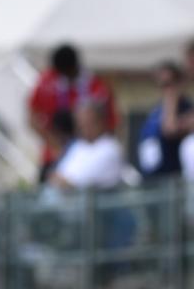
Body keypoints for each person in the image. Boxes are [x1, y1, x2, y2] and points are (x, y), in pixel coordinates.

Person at [27, 46, 117, 183]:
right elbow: (32, 117)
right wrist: (55, 145)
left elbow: (110, 123)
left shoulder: (95, 86)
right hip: (56, 152)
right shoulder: (47, 82)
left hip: (87, 151)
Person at [52, 100, 124, 191]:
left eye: (89, 122)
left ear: (101, 121)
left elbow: (79, 182)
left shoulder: (111, 148)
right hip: (66, 202)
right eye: (80, 123)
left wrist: (63, 182)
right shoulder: (78, 146)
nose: (84, 127)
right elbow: (55, 177)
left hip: (94, 203)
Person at [137, 62, 192, 179]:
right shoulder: (156, 110)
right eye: (161, 84)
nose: (166, 89)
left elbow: (170, 129)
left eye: (168, 84)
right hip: (152, 178)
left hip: (172, 181)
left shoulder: (186, 108)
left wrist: (172, 102)